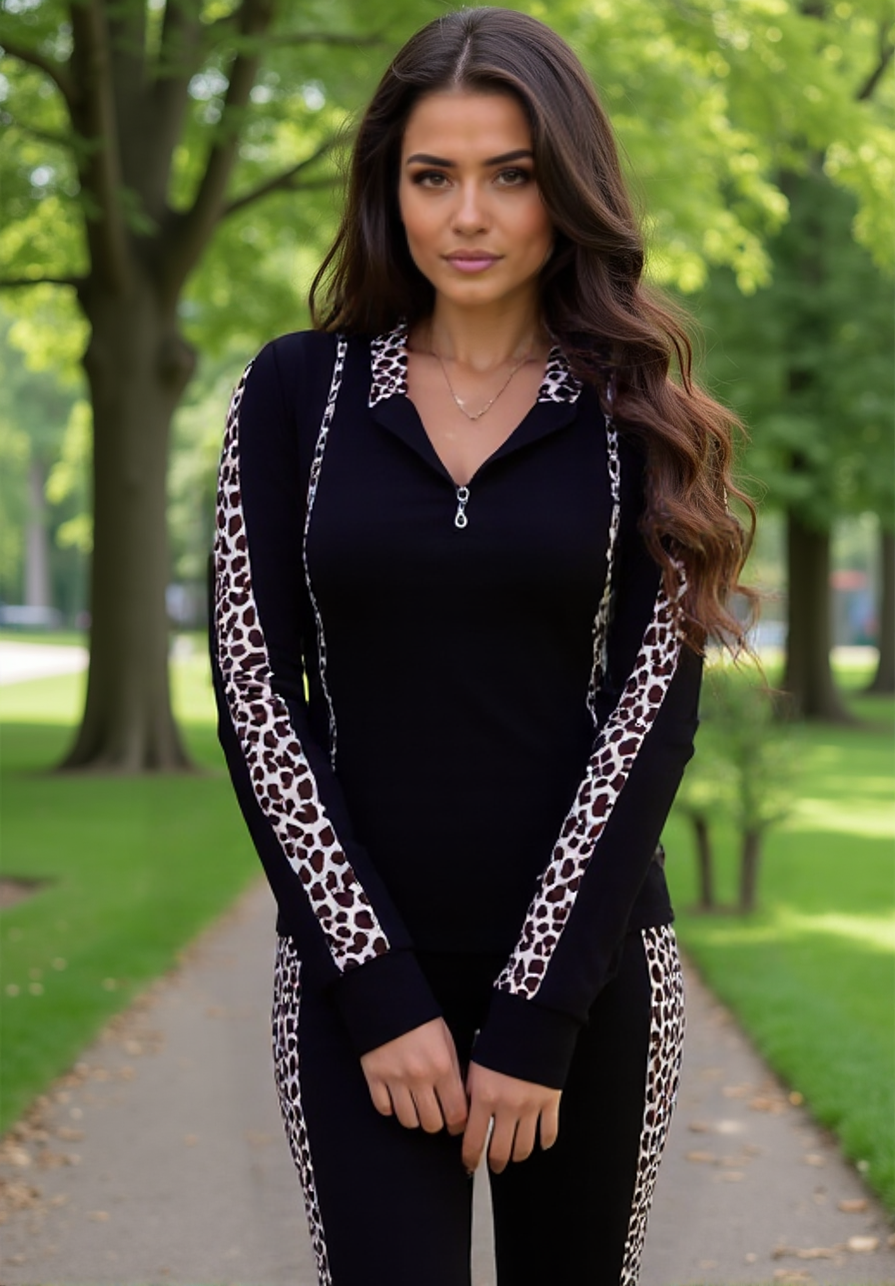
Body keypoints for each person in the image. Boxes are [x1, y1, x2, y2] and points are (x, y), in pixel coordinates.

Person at [209, 8, 754, 1285]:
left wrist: (539, 1007)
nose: (469, 214)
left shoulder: (643, 417)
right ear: (387, 189)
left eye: (509, 175)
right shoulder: (296, 395)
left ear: (565, 188)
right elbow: (254, 689)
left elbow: (646, 718)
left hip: (589, 981)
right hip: (361, 990)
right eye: (431, 175)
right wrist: (375, 985)